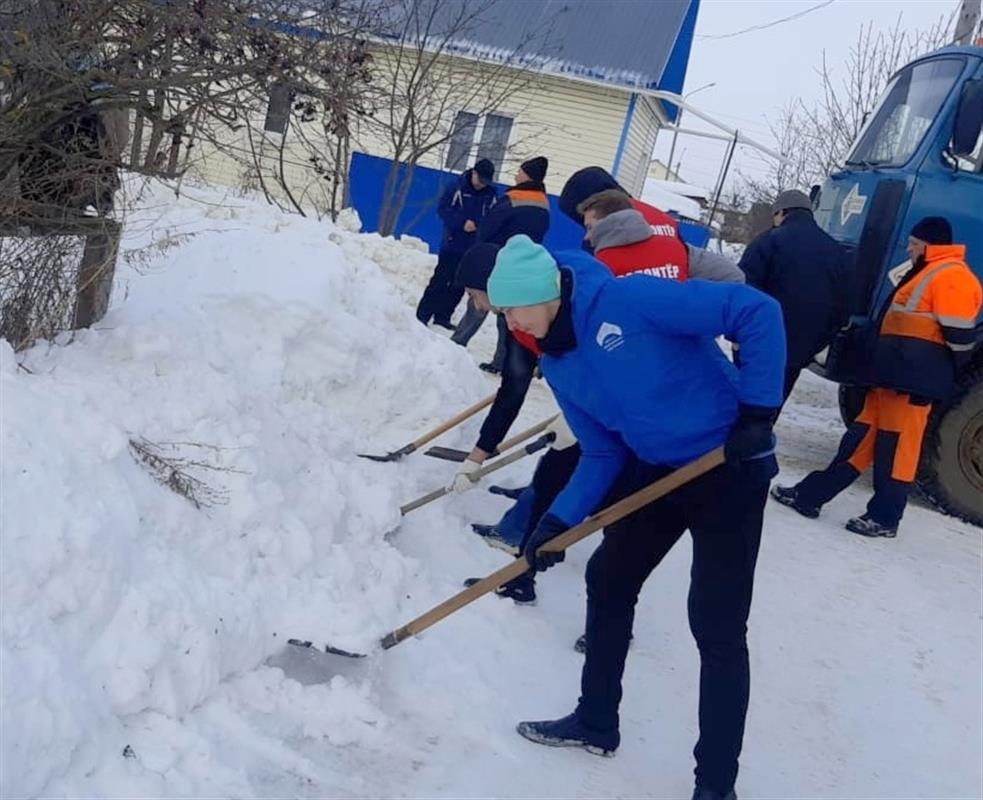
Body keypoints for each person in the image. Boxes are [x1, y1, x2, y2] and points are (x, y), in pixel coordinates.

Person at [484, 235, 785, 800]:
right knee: (608, 578)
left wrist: (757, 411)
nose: (509, 321)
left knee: (717, 626)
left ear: (544, 294)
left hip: (730, 466)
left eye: (512, 308)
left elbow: (756, 311)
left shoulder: (633, 301)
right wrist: (557, 522)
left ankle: (716, 785)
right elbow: (601, 452)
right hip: (662, 469)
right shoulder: (560, 363)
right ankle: (596, 720)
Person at [772, 217, 981, 537]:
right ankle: (810, 496)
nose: (909, 248)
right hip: (892, 380)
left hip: (912, 385)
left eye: (914, 243)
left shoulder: (953, 277)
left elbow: (960, 339)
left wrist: (933, 373)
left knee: (898, 454)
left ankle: (885, 519)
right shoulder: (926, 272)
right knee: (857, 443)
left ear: (929, 244)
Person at [738, 189, 849, 403]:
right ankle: (763, 433)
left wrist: (738, 334)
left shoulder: (768, 241)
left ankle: (739, 435)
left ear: (782, 212)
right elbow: (843, 307)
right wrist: (817, 343)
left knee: (744, 400)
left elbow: (743, 287)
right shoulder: (835, 251)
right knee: (773, 401)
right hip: (800, 348)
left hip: (761, 339)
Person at [451, 156, 551, 371]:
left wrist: (479, 251)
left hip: (497, 259)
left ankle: (456, 345)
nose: (516, 175)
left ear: (527, 175)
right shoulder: (544, 203)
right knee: (508, 315)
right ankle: (501, 361)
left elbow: (488, 227)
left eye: (520, 171)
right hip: (522, 264)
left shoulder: (513, 198)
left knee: (477, 306)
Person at [416, 158, 498, 329]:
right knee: (440, 280)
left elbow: (493, 217)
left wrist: (479, 225)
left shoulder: (491, 195)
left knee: (459, 285)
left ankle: (443, 317)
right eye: (480, 180)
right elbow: (443, 209)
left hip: (473, 247)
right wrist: (461, 223)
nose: (482, 185)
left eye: (485, 182)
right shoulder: (457, 187)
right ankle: (423, 315)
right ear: (473, 173)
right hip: (452, 243)